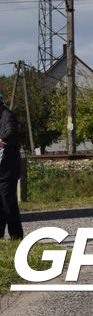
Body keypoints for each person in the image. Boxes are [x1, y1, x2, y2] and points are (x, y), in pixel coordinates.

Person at [0, 92, 24, 239]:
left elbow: (11, 132)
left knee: (6, 203)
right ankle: (13, 235)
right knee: (7, 204)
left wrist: (2, 139)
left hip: (8, 170)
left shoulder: (8, 116)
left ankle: (12, 235)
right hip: (1, 169)